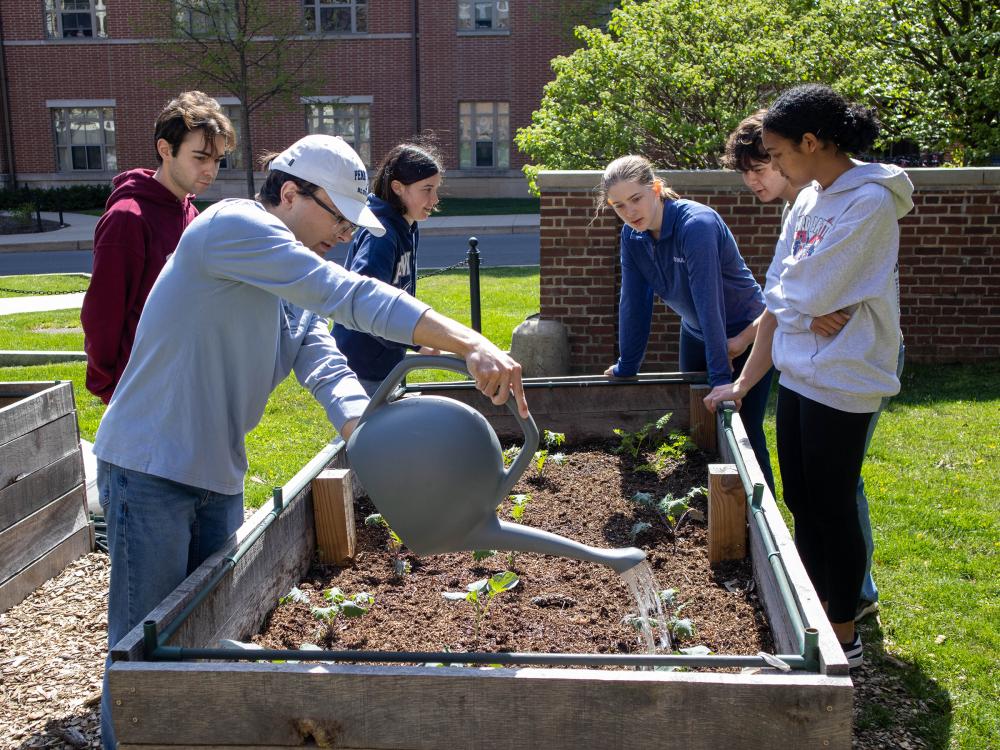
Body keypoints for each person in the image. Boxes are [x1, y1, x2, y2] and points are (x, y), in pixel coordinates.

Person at [94, 134, 528, 748]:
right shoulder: (231, 228)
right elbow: (348, 297)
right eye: (339, 218)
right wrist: (469, 341)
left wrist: (370, 434)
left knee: (196, 638)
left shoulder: (284, 278)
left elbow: (322, 360)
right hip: (149, 468)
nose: (348, 234)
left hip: (216, 473)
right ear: (290, 191)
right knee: (142, 649)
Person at [704, 84, 913, 668]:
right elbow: (782, 287)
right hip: (798, 370)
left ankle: (844, 632)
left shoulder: (869, 202)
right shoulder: (808, 200)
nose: (775, 166)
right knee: (799, 495)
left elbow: (805, 288)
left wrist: (800, 294)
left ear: (812, 141)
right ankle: (813, 612)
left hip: (846, 375)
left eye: (779, 154)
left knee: (831, 503)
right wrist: (800, 299)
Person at [598, 155, 775, 492]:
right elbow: (634, 302)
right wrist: (627, 366)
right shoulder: (632, 237)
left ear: (656, 188)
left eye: (636, 199)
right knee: (697, 426)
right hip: (696, 333)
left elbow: (710, 302)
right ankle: (708, 504)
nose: (630, 211)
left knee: (744, 433)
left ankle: (764, 519)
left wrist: (722, 378)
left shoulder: (696, 225)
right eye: (619, 205)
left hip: (746, 330)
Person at [81, 91, 235, 403]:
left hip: (187, 385)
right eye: (200, 157)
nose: (211, 170)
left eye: (217, 160)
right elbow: (102, 314)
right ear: (165, 149)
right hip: (140, 392)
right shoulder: (127, 218)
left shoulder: (192, 213)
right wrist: (110, 389)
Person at [334, 142, 443, 394]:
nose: (435, 199)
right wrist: (416, 340)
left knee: (382, 431)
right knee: (367, 433)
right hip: (361, 362)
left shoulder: (407, 225)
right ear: (398, 188)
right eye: (427, 189)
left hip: (385, 358)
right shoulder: (381, 234)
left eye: (436, 189)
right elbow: (363, 302)